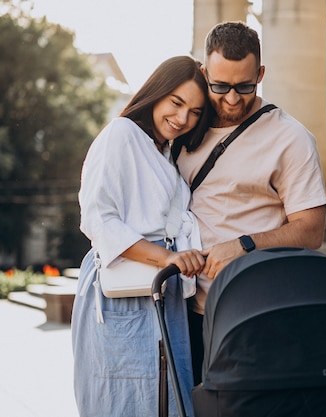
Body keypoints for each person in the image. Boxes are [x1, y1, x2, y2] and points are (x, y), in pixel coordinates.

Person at [175, 21, 326, 385]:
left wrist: (244, 246)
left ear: (260, 74)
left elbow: (312, 230)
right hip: (184, 313)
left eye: (245, 86)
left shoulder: (289, 137)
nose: (232, 99)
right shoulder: (182, 128)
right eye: (220, 86)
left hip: (256, 314)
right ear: (203, 73)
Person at [71, 55, 214, 416]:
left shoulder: (164, 152)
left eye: (195, 112)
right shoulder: (121, 134)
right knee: (127, 400)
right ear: (157, 92)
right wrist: (166, 257)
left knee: (167, 398)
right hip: (124, 288)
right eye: (176, 103)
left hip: (163, 289)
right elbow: (98, 219)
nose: (182, 119)